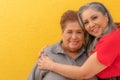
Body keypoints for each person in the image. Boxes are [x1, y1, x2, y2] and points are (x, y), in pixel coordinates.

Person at [38, 2, 120, 80]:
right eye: (86, 22)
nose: (91, 25)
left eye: (94, 18)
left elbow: (83, 73)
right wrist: (53, 49)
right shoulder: (112, 31)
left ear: (106, 16)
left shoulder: (112, 39)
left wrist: (51, 65)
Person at [28, 10, 97, 80]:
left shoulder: (92, 54)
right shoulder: (47, 55)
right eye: (69, 32)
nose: (74, 37)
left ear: (84, 34)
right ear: (62, 33)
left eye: (79, 32)